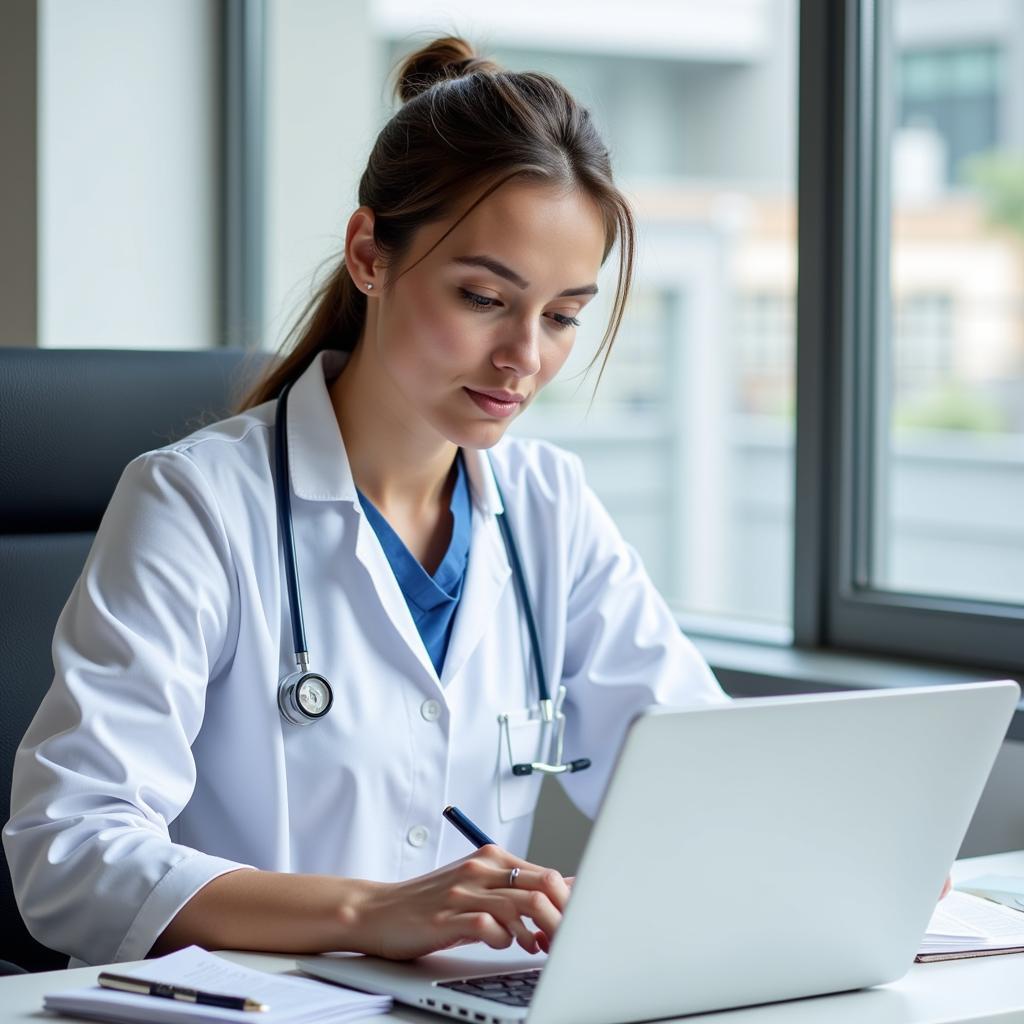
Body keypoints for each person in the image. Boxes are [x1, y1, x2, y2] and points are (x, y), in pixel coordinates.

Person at [2, 36, 727, 969]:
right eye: (482, 297)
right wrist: (369, 913)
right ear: (368, 256)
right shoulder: (198, 502)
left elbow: (697, 772)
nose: (524, 357)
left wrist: (831, 849)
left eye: (561, 316)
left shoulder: (550, 508)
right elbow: (70, 852)